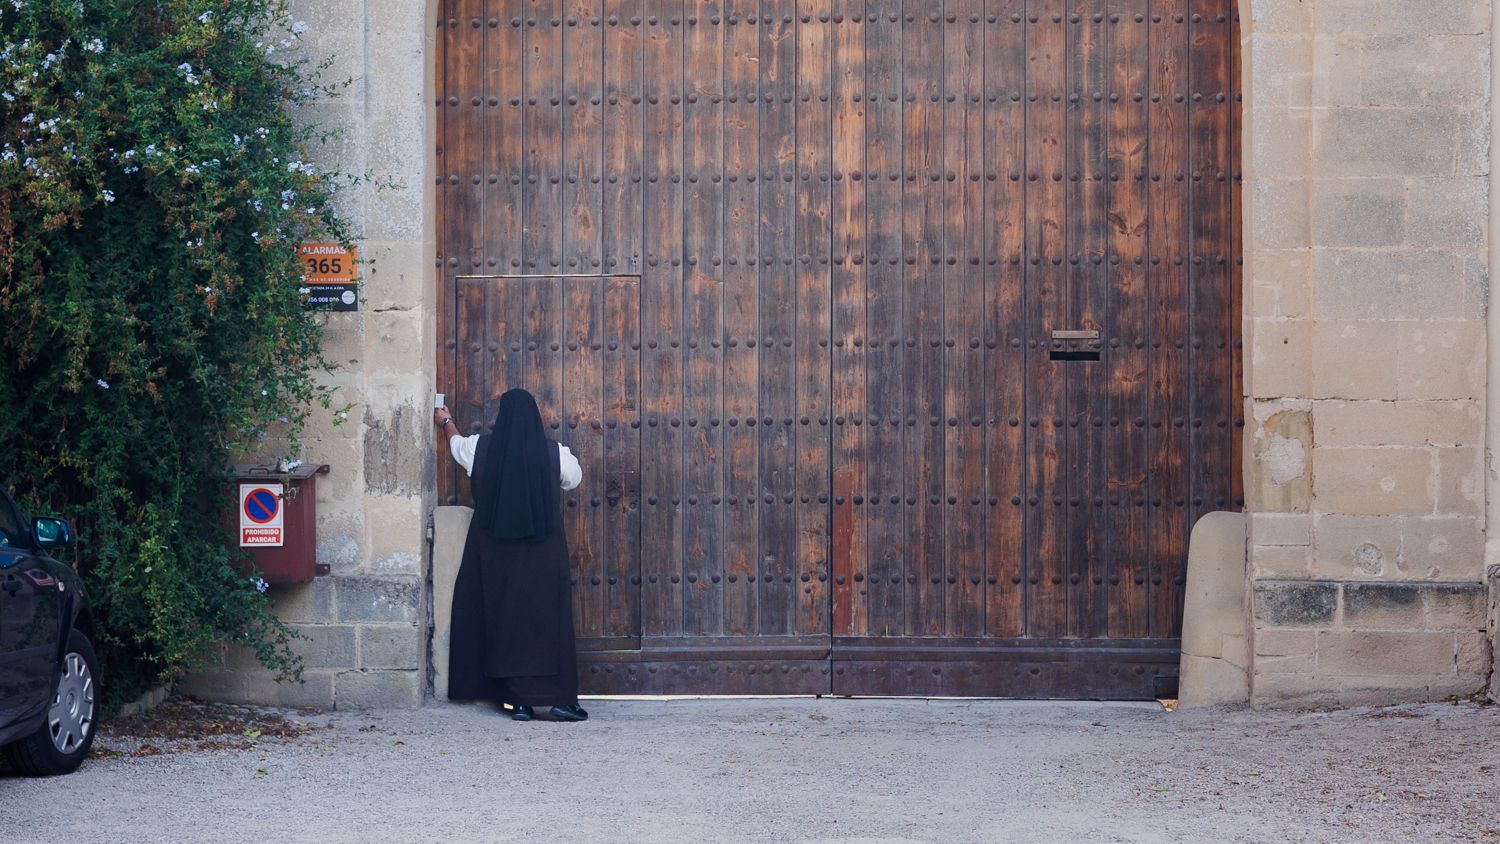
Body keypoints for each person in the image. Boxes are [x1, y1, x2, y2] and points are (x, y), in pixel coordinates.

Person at [435, 388, 588, 722]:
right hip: (542, 553)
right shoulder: (554, 454)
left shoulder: (481, 448)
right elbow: (573, 480)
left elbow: (457, 447)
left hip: (493, 554)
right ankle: (559, 699)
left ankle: (517, 702)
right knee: (545, 620)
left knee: (503, 620)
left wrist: (446, 420)